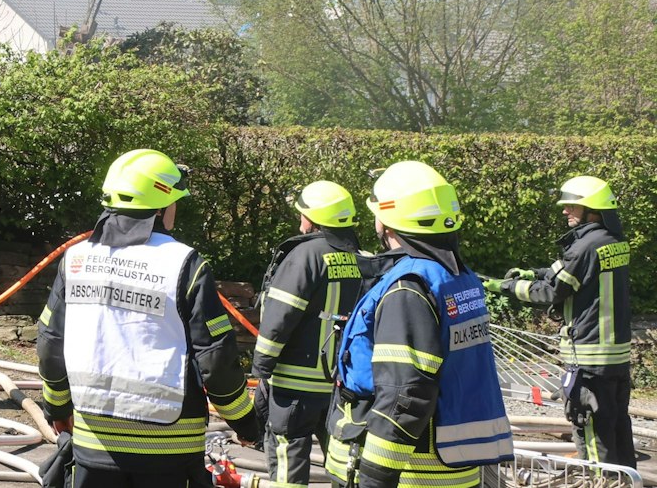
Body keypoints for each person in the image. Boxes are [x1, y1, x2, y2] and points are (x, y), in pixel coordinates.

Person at [36, 148, 261, 488]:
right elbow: (216, 360)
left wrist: (58, 411)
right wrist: (244, 422)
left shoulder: (77, 259)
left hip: (93, 446)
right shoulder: (184, 263)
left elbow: (51, 345)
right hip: (168, 452)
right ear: (161, 206)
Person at [328, 162, 512, 488]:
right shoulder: (457, 277)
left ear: (386, 220)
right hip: (453, 468)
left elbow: (405, 393)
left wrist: (375, 477)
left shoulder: (408, 288)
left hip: (412, 472)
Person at [492, 176, 634, 468]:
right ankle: (625, 479)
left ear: (592, 210)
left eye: (572, 206)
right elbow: (568, 270)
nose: (565, 212)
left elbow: (552, 291)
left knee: (592, 431)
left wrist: (503, 286)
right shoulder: (612, 241)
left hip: (589, 360)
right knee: (617, 427)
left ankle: (602, 483)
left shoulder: (584, 248)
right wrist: (532, 272)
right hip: (615, 359)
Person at [253, 181, 367, 488]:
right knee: (343, 463)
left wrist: (261, 369)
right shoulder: (363, 259)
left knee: (288, 456)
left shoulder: (305, 256)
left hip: (294, 384)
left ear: (312, 218)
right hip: (342, 387)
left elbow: (279, 318)